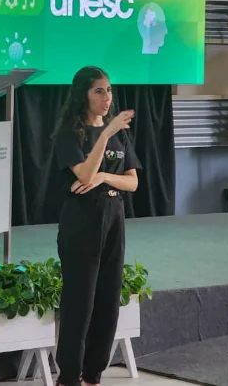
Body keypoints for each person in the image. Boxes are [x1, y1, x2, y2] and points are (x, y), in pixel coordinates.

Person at [52, 66, 140, 386]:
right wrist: (103, 135)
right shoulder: (69, 133)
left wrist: (105, 176)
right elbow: (85, 176)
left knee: (108, 298)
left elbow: (132, 182)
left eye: (109, 90)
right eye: (98, 91)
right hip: (82, 219)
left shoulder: (121, 133)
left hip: (114, 216)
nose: (107, 98)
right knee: (81, 299)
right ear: (83, 95)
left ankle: (93, 374)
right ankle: (70, 375)